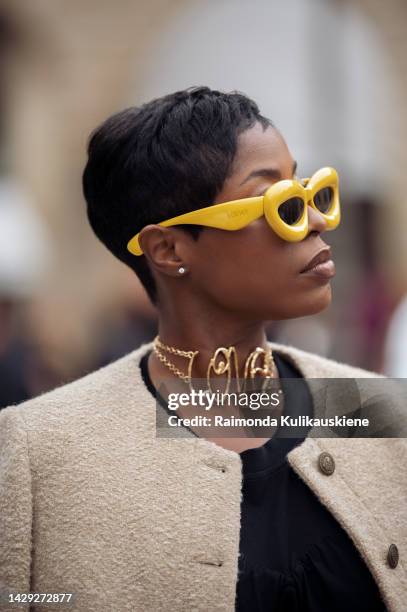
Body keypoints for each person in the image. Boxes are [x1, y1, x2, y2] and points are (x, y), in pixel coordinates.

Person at [0, 87, 405, 612]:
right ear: (169, 249)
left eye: (312, 192)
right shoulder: (40, 451)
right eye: (282, 205)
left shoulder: (375, 410)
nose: (318, 221)